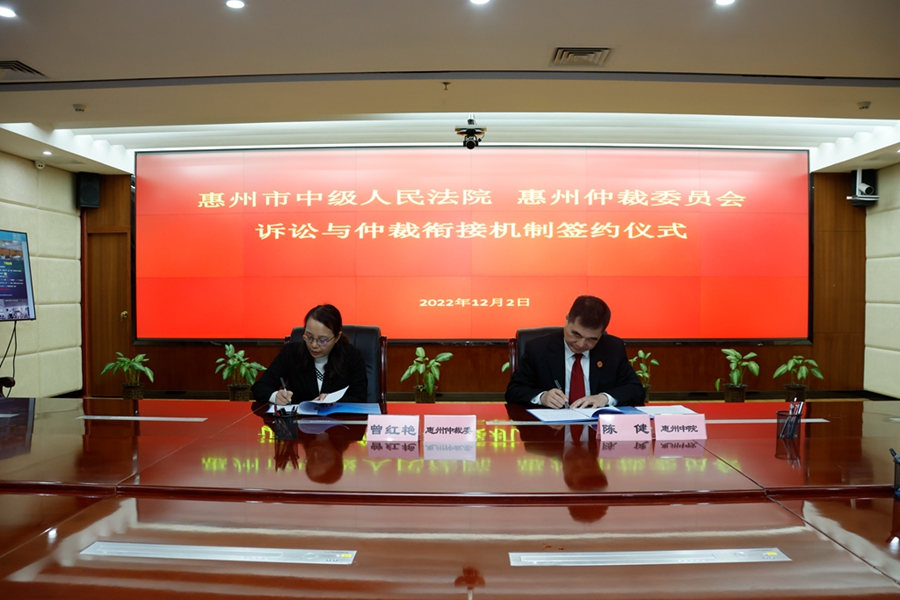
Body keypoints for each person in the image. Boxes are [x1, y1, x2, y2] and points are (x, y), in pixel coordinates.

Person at [505, 295, 644, 408]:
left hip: (596, 427)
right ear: (567, 319)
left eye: (592, 339)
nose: (581, 344)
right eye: (576, 334)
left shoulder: (613, 348)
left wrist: (605, 398)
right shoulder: (538, 348)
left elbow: (636, 389)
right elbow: (514, 391)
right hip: (552, 429)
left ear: (601, 333)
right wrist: (542, 397)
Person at [252, 304, 368, 405]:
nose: (314, 345)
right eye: (309, 337)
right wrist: (275, 396)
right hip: (299, 421)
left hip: (338, 422)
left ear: (337, 337)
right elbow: (260, 387)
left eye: (322, 340)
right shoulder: (291, 353)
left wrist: (334, 401)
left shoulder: (352, 356)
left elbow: (360, 398)